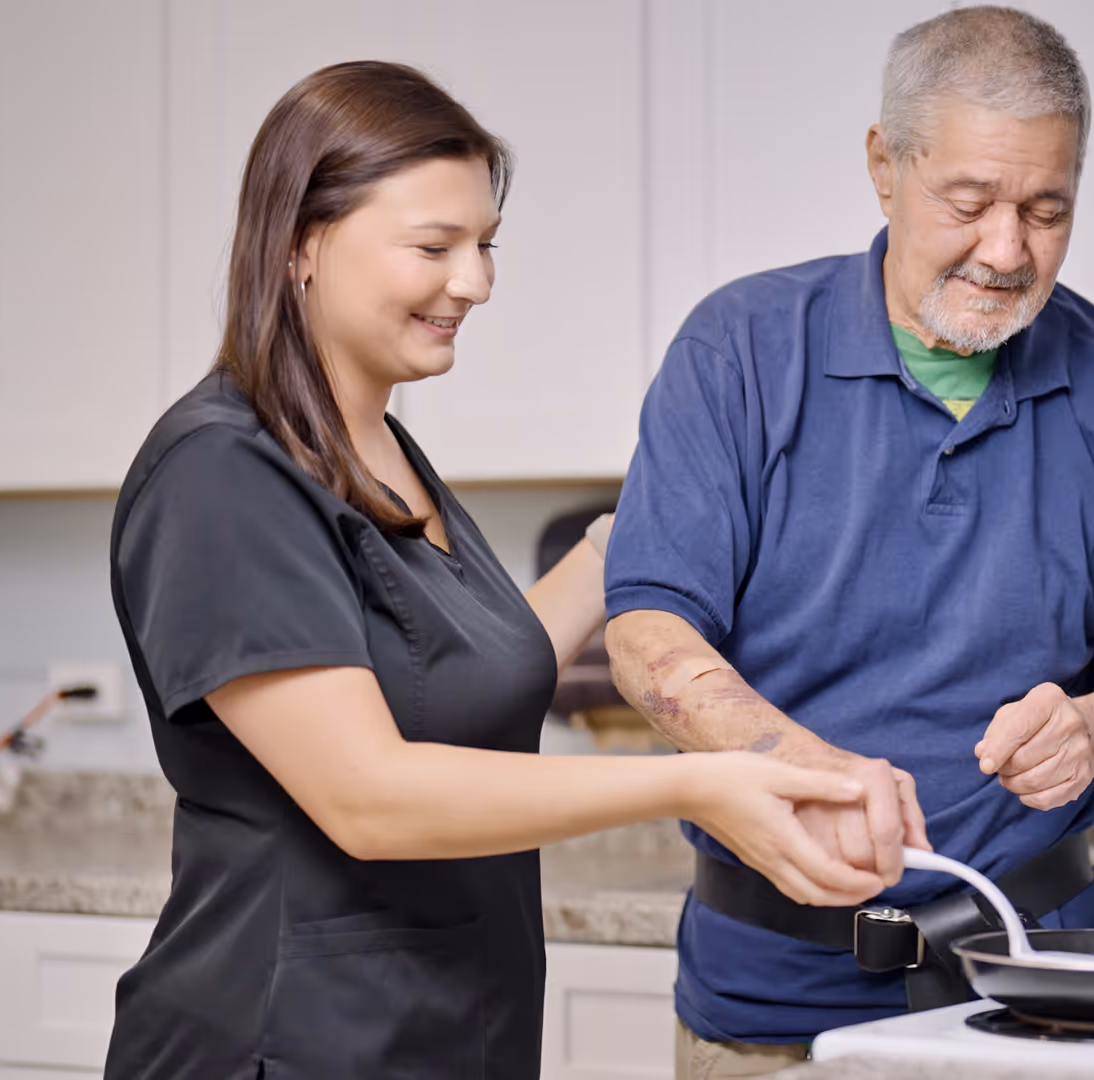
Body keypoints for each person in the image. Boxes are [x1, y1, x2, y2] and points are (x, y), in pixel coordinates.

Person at [103, 61, 886, 1080]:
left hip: (441, 1034)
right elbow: (369, 796)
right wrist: (697, 783)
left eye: (484, 247)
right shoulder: (221, 472)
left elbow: (476, 664)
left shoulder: (379, 450)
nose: (474, 282)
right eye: (435, 247)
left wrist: (674, 519)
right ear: (300, 243)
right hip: (285, 1042)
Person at [603, 7, 1094, 1077]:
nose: (1008, 249)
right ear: (883, 166)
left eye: (1047, 209)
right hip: (770, 1010)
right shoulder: (740, 352)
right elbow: (647, 636)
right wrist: (799, 763)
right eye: (970, 202)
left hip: (1048, 998)